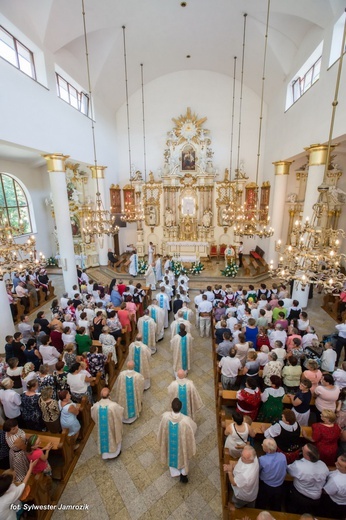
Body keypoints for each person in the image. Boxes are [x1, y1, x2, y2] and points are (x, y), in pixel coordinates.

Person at [157, 397, 197, 483]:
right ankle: (183, 475)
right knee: (183, 457)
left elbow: (161, 430)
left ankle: (175, 473)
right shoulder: (186, 421)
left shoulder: (165, 417)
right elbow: (193, 429)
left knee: (172, 455)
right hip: (182, 446)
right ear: (181, 408)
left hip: (171, 446)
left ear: (171, 407)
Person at [287, 443, 329, 515]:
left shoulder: (299, 466)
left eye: (303, 449)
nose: (302, 448)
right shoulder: (323, 465)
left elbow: (289, 470)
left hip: (299, 495)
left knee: (293, 513)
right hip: (315, 498)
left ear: (307, 456)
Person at [91, 387, 124, 460]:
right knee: (113, 436)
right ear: (109, 395)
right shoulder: (113, 406)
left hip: (102, 428)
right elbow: (120, 412)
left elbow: (93, 415)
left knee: (104, 437)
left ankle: (105, 454)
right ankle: (114, 453)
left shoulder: (96, 406)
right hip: (112, 426)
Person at [256, 438, 287, 511]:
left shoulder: (262, 459)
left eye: (263, 445)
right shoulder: (282, 456)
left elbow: (257, 470)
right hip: (279, 485)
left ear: (268, 450)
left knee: (261, 504)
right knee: (276, 505)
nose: (261, 445)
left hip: (266, 486)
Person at [321, 453, 346, 519]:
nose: (335, 463)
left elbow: (326, 491)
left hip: (335, 503)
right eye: (337, 460)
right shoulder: (341, 472)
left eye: (339, 464)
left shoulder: (336, 481)